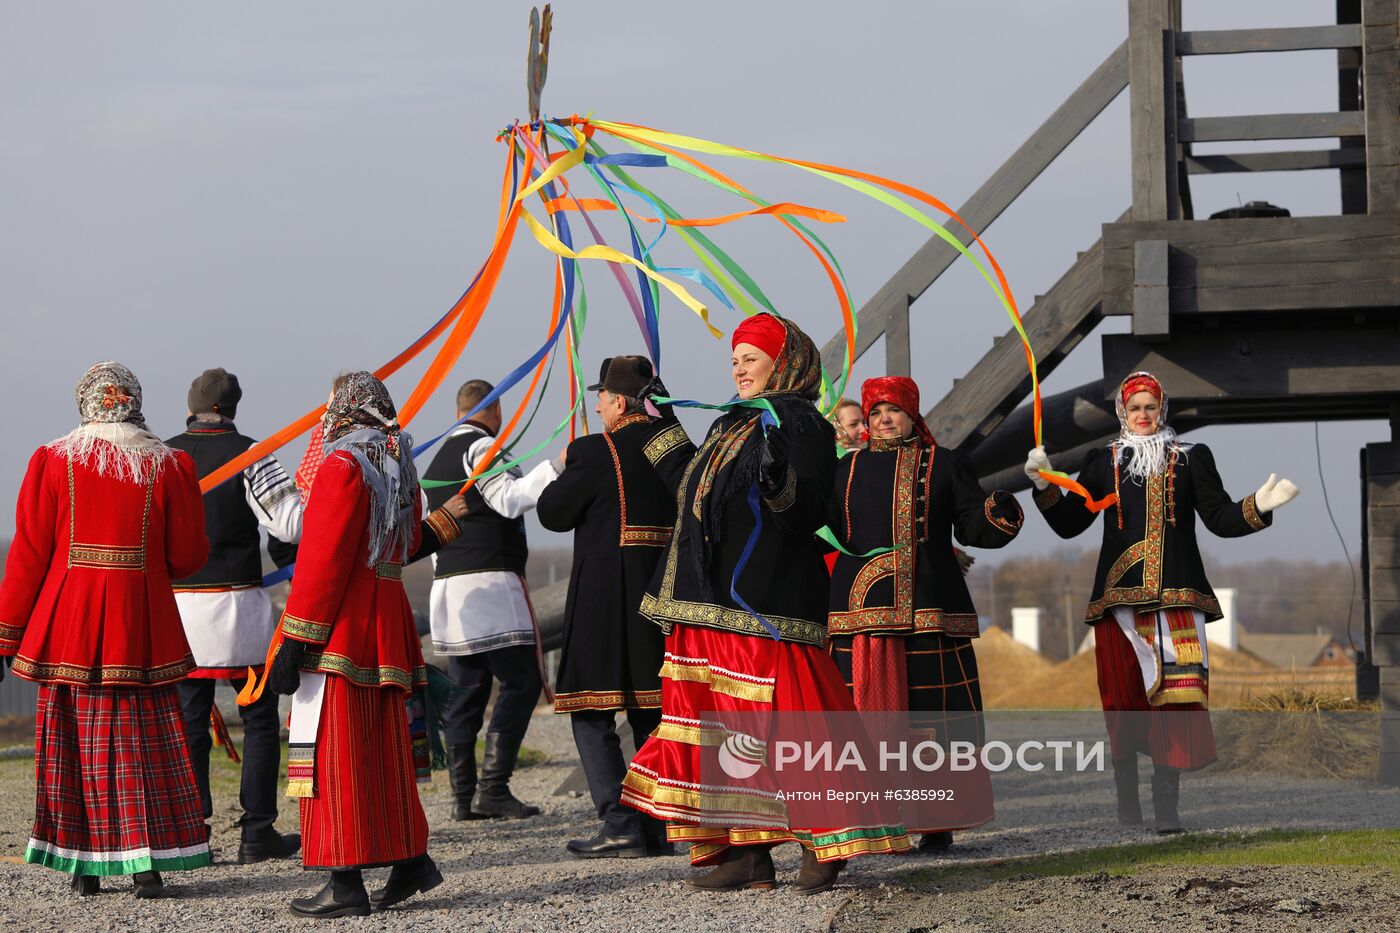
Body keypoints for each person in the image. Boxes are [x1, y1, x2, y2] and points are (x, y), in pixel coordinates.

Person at [621, 312, 910, 895]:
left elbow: (805, 512)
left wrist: (779, 477)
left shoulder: (799, 422)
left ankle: (829, 837)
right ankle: (744, 852)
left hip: (765, 606)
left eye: (750, 358)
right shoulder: (733, 423)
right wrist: (661, 424)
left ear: (783, 364)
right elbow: (693, 490)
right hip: (706, 602)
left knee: (792, 723)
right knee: (719, 730)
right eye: (734, 360)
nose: (739, 369)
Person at [1024, 371, 1299, 833]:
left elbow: (1219, 518)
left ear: (1162, 410)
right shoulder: (1101, 461)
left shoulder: (1192, 458)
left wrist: (1259, 506)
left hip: (1177, 598)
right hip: (1118, 603)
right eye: (1135, 408)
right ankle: (1127, 801)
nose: (1144, 415)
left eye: (1151, 407)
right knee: (1123, 700)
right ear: (1123, 414)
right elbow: (1071, 524)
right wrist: (1044, 486)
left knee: (1174, 701)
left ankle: (1167, 810)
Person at [0, 362, 211, 897]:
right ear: (135, 401)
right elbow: (187, 556)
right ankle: (146, 865)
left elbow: (28, 554)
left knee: (73, 743)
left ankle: (82, 865)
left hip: (67, 621)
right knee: (144, 742)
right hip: (140, 623)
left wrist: (8, 630)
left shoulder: (53, 459)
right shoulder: (169, 464)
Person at [266, 372, 451, 917]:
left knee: (334, 752)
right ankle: (409, 858)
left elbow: (324, 560)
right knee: (384, 751)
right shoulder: (399, 464)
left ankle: (343, 880)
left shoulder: (343, 465)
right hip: (388, 620)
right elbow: (409, 540)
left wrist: (296, 636)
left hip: (343, 627)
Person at [827, 376, 1022, 852]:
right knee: (864, 723)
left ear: (913, 415)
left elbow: (975, 525)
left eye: (893, 410)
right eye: (874, 413)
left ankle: (937, 819)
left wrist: (1000, 513)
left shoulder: (944, 464)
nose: (883, 420)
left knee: (933, 723)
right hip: (861, 617)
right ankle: (871, 820)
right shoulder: (846, 469)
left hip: (930, 613)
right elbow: (821, 529)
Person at [536, 355, 695, 859]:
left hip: (604, 602)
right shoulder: (673, 448)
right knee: (651, 712)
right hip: (661, 598)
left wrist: (563, 466)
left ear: (618, 401)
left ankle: (619, 819)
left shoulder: (594, 449)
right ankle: (654, 825)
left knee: (591, 712)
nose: (598, 405)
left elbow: (553, 514)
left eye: (600, 397)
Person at [167, 368, 303, 863]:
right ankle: (257, 832)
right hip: (238, 610)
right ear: (232, 408)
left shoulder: (164, 455)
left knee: (186, 720)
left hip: (178, 613)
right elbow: (288, 521)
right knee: (260, 718)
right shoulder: (252, 452)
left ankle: (189, 833)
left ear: (191, 406)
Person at [421, 380, 561, 821]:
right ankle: (494, 788)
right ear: (495, 410)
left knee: (467, 690)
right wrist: (554, 467)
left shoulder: (437, 458)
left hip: (449, 591)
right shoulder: (482, 448)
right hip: (490, 585)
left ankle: (463, 798)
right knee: (521, 683)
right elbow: (508, 499)